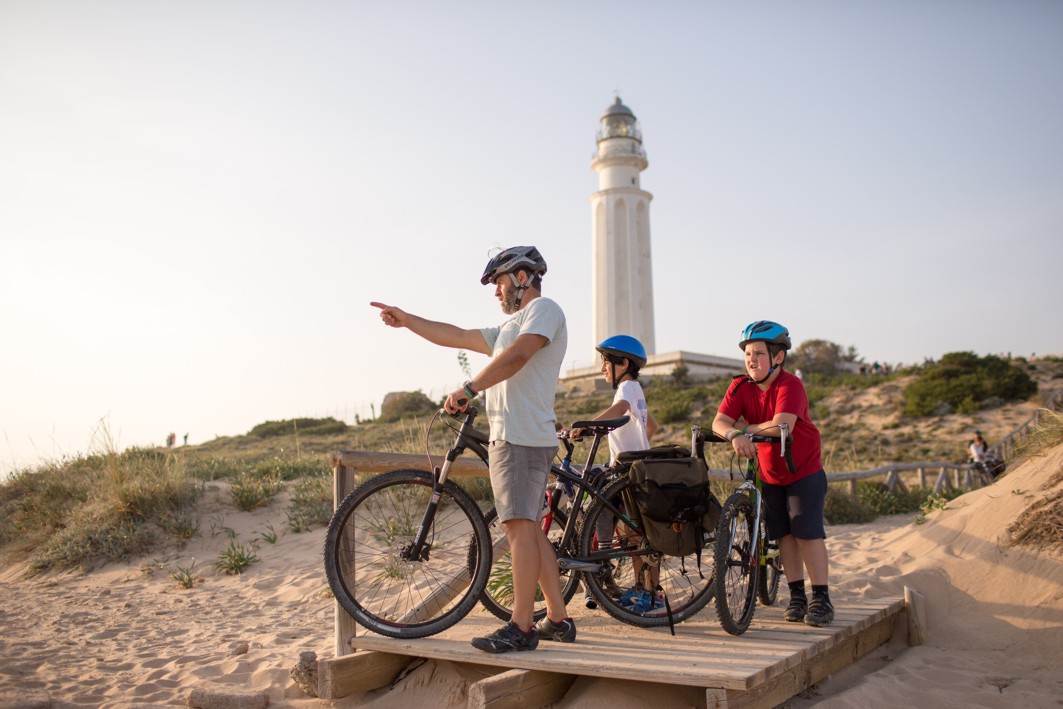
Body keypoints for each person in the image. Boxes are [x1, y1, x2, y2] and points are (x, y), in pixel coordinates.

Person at [370, 245, 574, 653]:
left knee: (518, 528)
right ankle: (557, 618)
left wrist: (470, 387)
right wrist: (407, 320)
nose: (496, 292)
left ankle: (521, 626)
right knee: (529, 529)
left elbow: (520, 356)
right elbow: (458, 335)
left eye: (499, 282)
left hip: (520, 436)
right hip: (517, 435)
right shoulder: (508, 328)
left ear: (522, 277)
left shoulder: (543, 309)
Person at [711, 320, 834, 627]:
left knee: (806, 532)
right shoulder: (740, 386)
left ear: (778, 357)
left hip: (802, 469)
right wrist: (734, 435)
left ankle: (821, 598)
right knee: (784, 536)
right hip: (769, 472)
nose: (751, 360)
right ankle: (797, 596)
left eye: (758, 353)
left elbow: (782, 425)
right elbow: (719, 422)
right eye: (747, 354)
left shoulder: (791, 385)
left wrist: (747, 428)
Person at [568, 335, 659, 611]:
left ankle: (652, 594)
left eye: (605, 363)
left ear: (624, 363)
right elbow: (651, 425)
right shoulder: (634, 389)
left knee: (639, 535)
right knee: (633, 535)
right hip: (631, 469)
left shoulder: (627, 387)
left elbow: (620, 410)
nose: (602, 369)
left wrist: (587, 424)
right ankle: (643, 588)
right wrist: (638, 446)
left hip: (631, 473)